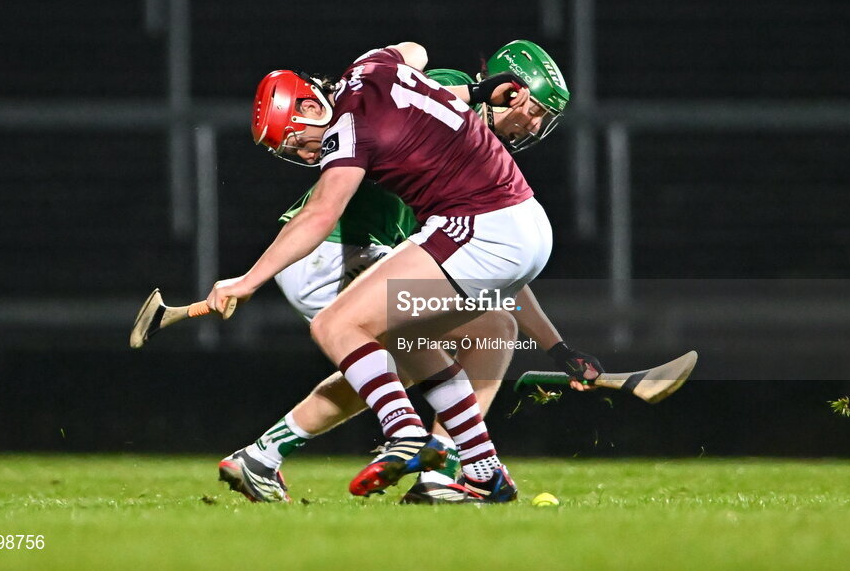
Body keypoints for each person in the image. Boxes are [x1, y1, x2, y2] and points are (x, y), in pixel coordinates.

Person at [218, 42, 602, 505]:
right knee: (408, 344)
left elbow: (324, 209)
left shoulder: (369, 114)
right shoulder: (375, 83)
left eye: (296, 142)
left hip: (446, 232)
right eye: (535, 112)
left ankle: (415, 445)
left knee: (387, 339)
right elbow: (412, 54)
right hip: (362, 246)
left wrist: (245, 282)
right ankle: (458, 463)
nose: (303, 157)